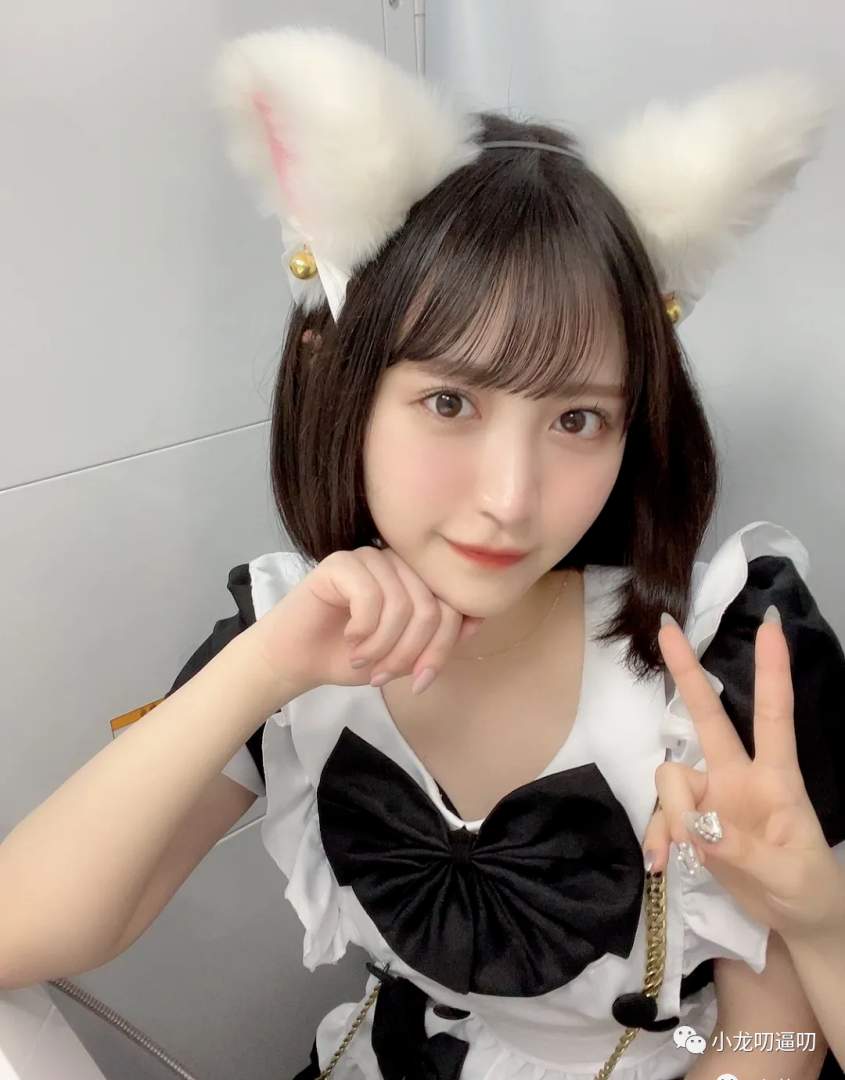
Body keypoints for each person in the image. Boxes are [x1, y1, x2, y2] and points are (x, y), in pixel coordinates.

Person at [1, 24, 842, 1080]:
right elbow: (17, 932)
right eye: (450, 402)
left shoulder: (724, 663)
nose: (509, 499)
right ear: (337, 379)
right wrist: (259, 671)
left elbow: (770, 1044)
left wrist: (815, 912)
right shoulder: (297, 641)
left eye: (577, 419)